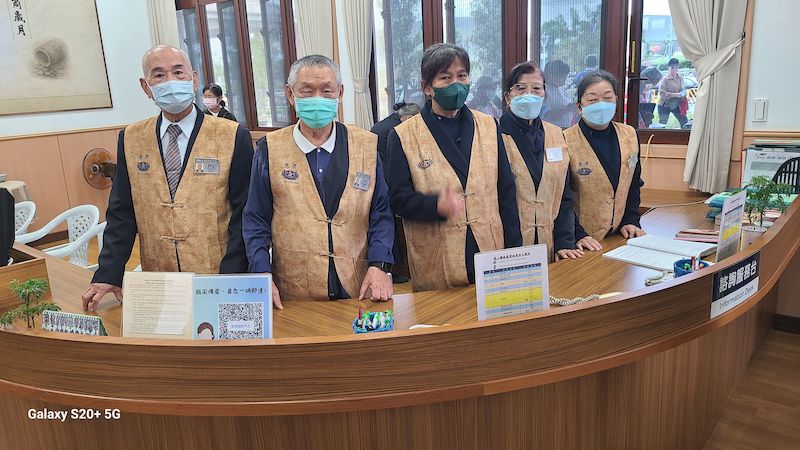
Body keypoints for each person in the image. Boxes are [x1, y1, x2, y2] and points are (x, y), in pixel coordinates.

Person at [82, 45, 253, 311]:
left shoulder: (232, 135)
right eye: (159, 75)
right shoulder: (131, 138)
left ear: (193, 79)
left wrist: (233, 273)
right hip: (158, 278)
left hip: (217, 273)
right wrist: (108, 272)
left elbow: (245, 211)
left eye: (178, 72)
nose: (171, 81)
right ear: (146, 86)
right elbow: (122, 211)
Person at [243, 55, 394, 308]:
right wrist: (261, 273)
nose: (317, 98)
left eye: (326, 91)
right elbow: (256, 219)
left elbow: (381, 212)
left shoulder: (366, 145)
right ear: (290, 94)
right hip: (293, 292)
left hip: (357, 286)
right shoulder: (270, 149)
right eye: (307, 91)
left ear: (340, 93)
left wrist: (379, 265)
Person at [387, 43, 522, 292]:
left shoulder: (489, 126)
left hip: (489, 248)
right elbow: (398, 200)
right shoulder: (403, 135)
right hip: (438, 256)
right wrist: (434, 205)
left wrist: (514, 252)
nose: (456, 84)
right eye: (445, 77)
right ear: (427, 87)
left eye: (462, 75)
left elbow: (506, 191)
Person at [499, 61, 589, 261]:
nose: (529, 94)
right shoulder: (494, 134)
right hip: (506, 248)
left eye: (536, 88)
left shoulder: (556, 135)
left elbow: (563, 195)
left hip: (548, 243)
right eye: (520, 88)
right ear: (508, 96)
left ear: (545, 95)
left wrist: (564, 241)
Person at [564, 70, 646, 247]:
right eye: (592, 100)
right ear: (579, 106)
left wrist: (631, 220)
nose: (601, 105)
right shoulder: (565, 140)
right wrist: (577, 233)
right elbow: (563, 197)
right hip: (582, 240)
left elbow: (633, 184)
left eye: (608, 98)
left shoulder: (629, 135)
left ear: (616, 100)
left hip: (619, 236)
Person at [370, 101, 421, 284]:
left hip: (377, 178)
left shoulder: (383, 124)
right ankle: (397, 269)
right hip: (386, 180)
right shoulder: (396, 131)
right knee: (392, 224)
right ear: (409, 118)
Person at [370, 102, 421, 171]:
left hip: (374, 166)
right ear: (410, 118)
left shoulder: (389, 120)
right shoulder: (398, 129)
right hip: (387, 168)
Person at [542, 60, 577, 128]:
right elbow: (546, 116)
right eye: (562, 76)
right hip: (553, 129)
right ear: (552, 75)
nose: (564, 78)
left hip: (568, 128)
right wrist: (567, 109)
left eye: (565, 75)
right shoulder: (545, 91)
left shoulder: (562, 89)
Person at [657, 58, 688, 128]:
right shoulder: (665, 79)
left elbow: (684, 91)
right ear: (668, 67)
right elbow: (662, 93)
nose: (674, 69)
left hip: (676, 104)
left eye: (676, 67)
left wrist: (676, 94)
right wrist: (676, 95)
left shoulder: (680, 78)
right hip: (664, 105)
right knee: (662, 124)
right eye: (672, 67)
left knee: (684, 122)